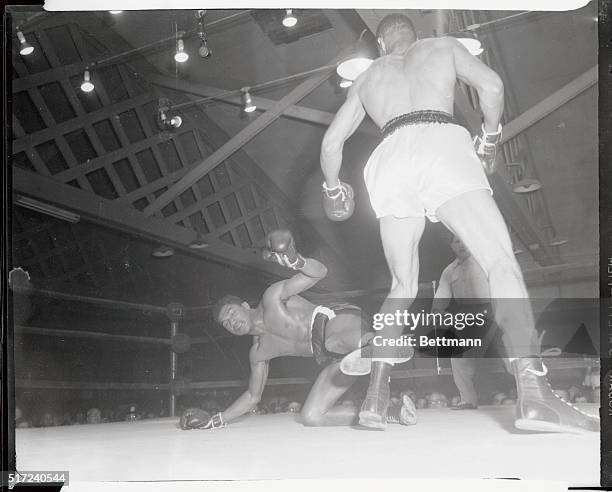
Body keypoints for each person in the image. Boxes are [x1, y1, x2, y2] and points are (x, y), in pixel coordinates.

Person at [319, 13, 598, 432]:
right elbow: (492, 86)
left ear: (379, 44)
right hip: (438, 141)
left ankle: (376, 396)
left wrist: (334, 188)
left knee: (402, 286)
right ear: (415, 36)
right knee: (500, 262)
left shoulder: (368, 77)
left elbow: (331, 144)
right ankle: (536, 396)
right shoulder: (441, 46)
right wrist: (489, 136)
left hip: (389, 158)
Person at [179, 229, 416, 430]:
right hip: (333, 357)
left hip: (336, 320)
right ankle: (392, 411)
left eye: (231, 313)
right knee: (311, 416)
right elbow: (253, 396)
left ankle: (379, 344)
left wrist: (297, 261)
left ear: (243, 305)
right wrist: (214, 421)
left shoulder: (272, 298)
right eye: (226, 324)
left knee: (332, 341)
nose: (232, 322)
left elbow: (320, 272)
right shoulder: (259, 353)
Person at [431, 235, 501, 410]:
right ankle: (468, 399)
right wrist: (437, 313)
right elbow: (441, 295)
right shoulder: (449, 271)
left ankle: (530, 392)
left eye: (464, 239)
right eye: (456, 241)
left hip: (492, 310)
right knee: (458, 355)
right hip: (466, 316)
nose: (461, 245)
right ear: (451, 246)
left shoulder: (485, 262)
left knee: (509, 352)